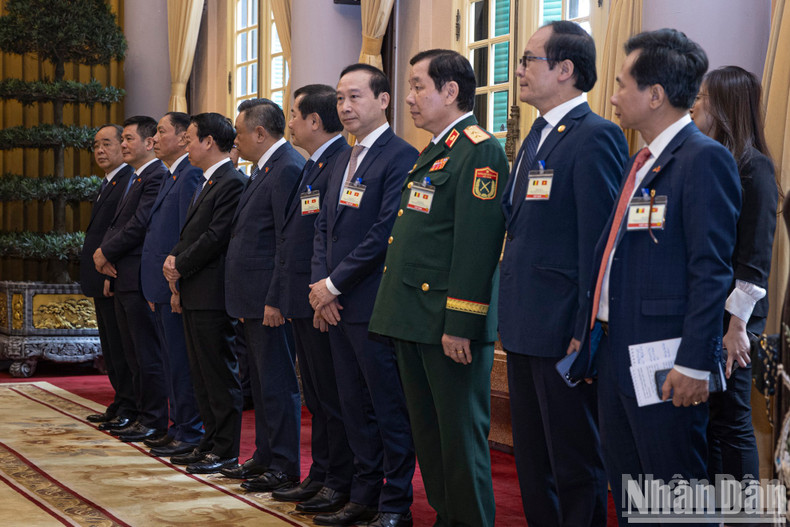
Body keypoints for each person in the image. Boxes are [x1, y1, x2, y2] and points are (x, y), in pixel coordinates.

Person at [568, 29, 741, 524]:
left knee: (673, 499)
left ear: (656, 95)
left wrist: (693, 363)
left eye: (623, 84)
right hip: (618, 356)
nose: (614, 96)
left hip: (668, 363)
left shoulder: (704, 159)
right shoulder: (639, 161)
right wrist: (587, 330)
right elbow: (615, 258)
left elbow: (711, 271)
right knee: (629, 495)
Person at [368, 49, 508, 527]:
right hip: (413, 318)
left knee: (460, 445)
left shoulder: (480, 149)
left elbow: (476, 244)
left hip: (448, 326)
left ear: (451, 92)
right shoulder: (437, 148)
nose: (408, 98)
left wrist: (461, 324)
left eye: (417, 86)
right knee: (431, 442)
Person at [499, 21, 628, 526]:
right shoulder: (536, 134)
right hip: (525, 323)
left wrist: (585, 330)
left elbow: (599, 245)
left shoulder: (595, 137)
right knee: (532, 462)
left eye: (529, 59)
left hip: (565, 331)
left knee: (574, 462)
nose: (520, 70)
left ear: (566, 69)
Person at [309, 63, 417, 527]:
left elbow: (384, 232)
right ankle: (363, 495)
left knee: (386, 409)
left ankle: (396, 506)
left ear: (384, 100)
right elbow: (322, 228)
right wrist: (321, 289)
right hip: (334, 307)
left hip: (373, 305)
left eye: (355, 97)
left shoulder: (400, 155)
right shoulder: (340, 159)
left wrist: (334, 284)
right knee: (351, 407)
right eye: (339, 99)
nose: (345, 107)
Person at [691, 66, 778, 485]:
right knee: (706, 419)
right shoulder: (713, 160)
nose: (695, 105)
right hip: (709, 313)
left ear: (725, 106)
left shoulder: (754, 168)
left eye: (704, 97)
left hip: (736, 322)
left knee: (731, 419)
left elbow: (755, 258)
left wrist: (736, 326)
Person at [269, 84, 354, 509]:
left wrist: (323, 293)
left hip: (325, 298)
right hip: (307, 295)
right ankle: (322, 473)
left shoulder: (340, 160)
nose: (291, 125)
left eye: (294, 116)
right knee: (318, 397)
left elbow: (334, 237)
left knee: (332, 398)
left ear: (314, 122)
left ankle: (337, 479)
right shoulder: (313, 164)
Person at [220, 98, 303, 491]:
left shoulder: (287, 167)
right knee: (261, 381)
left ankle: (284, 465)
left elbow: (285, 242)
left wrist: (275, 298)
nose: (235, 141)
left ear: (259, 133)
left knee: (277, 383)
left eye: (238, 133)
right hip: (250, 297)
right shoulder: (264, 167)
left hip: (269, 300)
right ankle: (265, 456)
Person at [163, 113, 246, 474]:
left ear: (209, 141)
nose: (186, 143)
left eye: (191, 137)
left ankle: (225, 449)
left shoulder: (232, 181)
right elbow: (192, 231)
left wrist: (180, 264)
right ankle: (208, 442)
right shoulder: (208, 180)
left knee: (218, 374)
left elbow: (216, 237)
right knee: (200, 373)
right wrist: (175, 265)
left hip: (213, 292)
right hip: (195, 289)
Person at [93, 115, 168, 443]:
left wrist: (105, 252)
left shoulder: (155, 176)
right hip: (124, 275)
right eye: (120, 139)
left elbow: (138, 225)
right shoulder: (137, 177)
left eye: (128, 139)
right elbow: (117, 224)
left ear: (149, 142)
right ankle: (138, 413)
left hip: (139, 277)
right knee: (131, 352)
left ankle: (152, 418)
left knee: (145, 353)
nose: (123, 145)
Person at [140, 112, 205, 457]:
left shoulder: (191, 173)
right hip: (160, 286)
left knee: (181, 363)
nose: (154, 139)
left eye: (160, 132)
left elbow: (186, 233)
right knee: (170, 361)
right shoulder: (171, 174)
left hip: (175, 284)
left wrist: (176, 286)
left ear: (182, 138)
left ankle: (190, 431)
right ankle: (178, 426)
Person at [81, 124, 135, 431]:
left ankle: (129, 403)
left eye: (108, 144)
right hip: (100, 275)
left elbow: (124, 231)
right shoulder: (109, 182)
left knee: (122, 347)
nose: (100, 151)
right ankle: (120, 401)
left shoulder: (128, 180)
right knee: (111, 347)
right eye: (96, 145)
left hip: (112, 275)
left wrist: (110, 266)